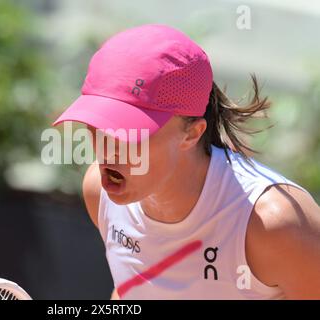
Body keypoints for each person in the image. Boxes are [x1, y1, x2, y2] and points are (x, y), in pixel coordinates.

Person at [53, 24, 320, 299]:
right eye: (98, 126)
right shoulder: (99, 192)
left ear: (191, 134)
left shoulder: (275, 224)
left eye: (131, 133)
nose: (108, 149)